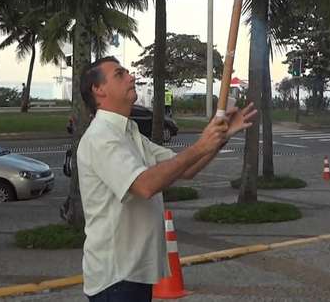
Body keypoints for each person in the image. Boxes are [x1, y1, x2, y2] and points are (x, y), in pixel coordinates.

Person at [77, 57, 256, 302]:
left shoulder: (129, 133)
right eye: (120, 74)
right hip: (115, 278)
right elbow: (145, 185)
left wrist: (221, 136)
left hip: (133, 275)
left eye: (128, 73)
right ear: (98, 90)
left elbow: (186, 169)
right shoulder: (101, 137)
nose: (131, 77)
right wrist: (201, 144)